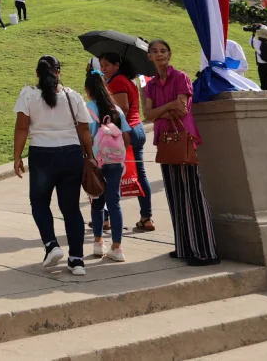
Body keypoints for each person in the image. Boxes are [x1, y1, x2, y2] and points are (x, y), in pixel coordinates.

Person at [13, 55, 94, 276]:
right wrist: (91, 155)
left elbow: (21, 128)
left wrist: (17, 156)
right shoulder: (73, 96)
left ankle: (51, 245)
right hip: (72, 154)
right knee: (71, 208)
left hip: (42, 154)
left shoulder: (28, 95)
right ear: (59, 72)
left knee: (39, 202)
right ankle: (77, 260)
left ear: (37, 73)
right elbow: (84, 130)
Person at [142, 39, 219, 265]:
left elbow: (182, 107)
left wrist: (159, 111)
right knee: (175, 195)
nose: (159, 54)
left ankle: (205, 251)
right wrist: (166, 108)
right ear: (149, 57)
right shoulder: (151, 86)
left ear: (170, 54)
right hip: (165, 142)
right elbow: (148, 115)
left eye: (163, 51)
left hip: (184, 140)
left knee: (192, 195)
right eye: (154, 51)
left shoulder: (180, 77)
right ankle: (185, 247)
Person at [99, 54, 153, 232]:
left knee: (109, 175)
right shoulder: (126, 80)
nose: (103, 68)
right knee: (139, 174)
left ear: (117, 65)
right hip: (136, 128)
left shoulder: (118, 82)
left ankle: (106, 218)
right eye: (101, 65)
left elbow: (122, 109)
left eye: (107, 65)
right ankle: (146, 217)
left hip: (125, 132)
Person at [85, 71, 128, 262]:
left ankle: (97, 242)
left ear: (88, 90)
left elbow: (85, 135)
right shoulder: (116, 109)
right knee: (114, 203)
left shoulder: (88, 108)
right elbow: (127, 134)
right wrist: (120, 153)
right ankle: (117, 247)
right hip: (115, 162)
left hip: (96, 161)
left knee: (97, 202)